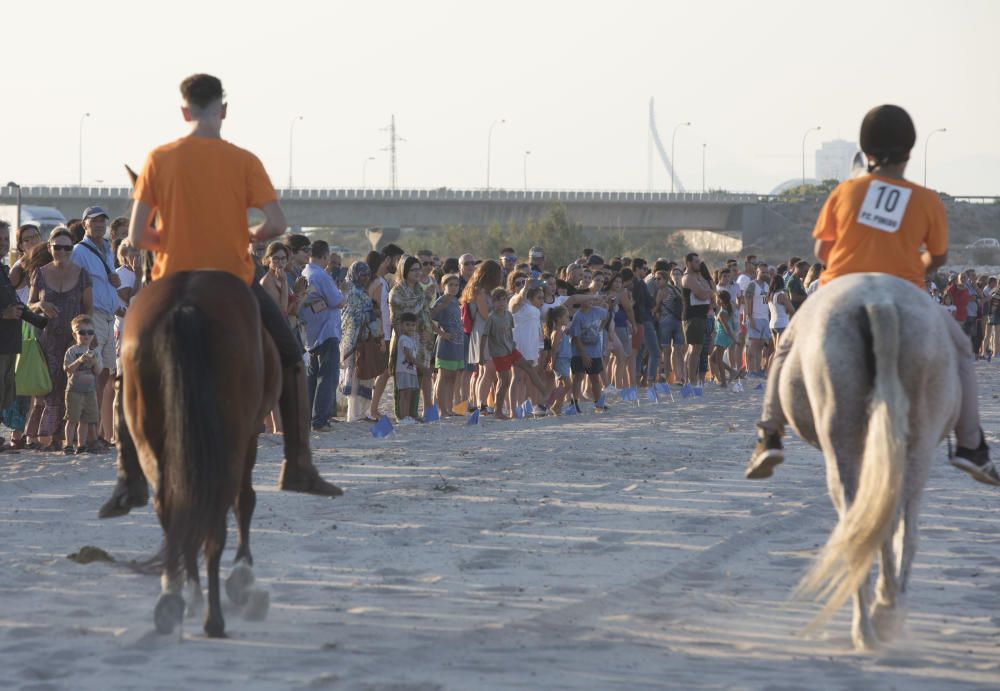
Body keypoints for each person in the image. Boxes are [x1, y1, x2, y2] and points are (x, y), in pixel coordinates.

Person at [103, 73, 340, 519]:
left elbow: (136, 235)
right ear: (223, 110)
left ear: (184, 111)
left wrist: (171, 240)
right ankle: (297, 464)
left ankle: (127, 475)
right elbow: (277, 225)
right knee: (289, 354)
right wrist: (247, 234)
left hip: (170, 277)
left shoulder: (158, 159)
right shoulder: (244, 161)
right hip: (231, 275)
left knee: (127, 364)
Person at [747, 104, 999, 487]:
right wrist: (916, 266)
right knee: (962, 349)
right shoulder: (926, 199)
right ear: (910, 153)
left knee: (788, 344)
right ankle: (970, 445)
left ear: (865, 152)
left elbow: (820, 252)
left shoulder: (845, 191)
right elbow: (940, 256)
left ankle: (770, 433)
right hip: (905, 287)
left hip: (841, 283)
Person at [25, 229, 93, 451]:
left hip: (74, 341)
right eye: (58, 247)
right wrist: (40, 305)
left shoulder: (82, 274)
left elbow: (88, 311)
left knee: (70, 388)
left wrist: (87, 340)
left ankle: (65, 438)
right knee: (49, 389)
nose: (62, 251)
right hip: (47, 338)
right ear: (49, 248)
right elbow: (29, 305)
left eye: (67, 247)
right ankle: (45, 437)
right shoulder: (40, 273)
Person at [70, 206, 121, 450]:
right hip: (94, 319)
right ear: (85, 224)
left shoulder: (108, 248)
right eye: (95, 221)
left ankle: (99, 432)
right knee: (95, 376)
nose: (99, 225)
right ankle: (91, 434)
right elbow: (76, 283)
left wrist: (116, 282)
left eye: (103, 221)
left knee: (106, 376)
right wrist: (85, 322)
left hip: (109, 318)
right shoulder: (79, 251)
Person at [301, 241, 345, 432]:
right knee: (328, 377)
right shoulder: (321, 275)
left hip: (311, 333)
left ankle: (310, 417)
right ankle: (320, 420)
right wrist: (344, 291)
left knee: (313, 377)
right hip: (326, 331)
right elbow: (337, 301)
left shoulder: (305, 273)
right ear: (325, 256)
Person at [389, 256, 434, 419]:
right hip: (404, 341)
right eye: (413, 270)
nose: (418, 273)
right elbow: (405, 314)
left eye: (418, 269)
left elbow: (425, 311)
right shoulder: (397, 292)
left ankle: (413, 413)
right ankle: (402, 415)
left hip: (422, 340)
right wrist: (425, 299)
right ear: (405, 271)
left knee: (418, 377)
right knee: (403, 382)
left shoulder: (418, 290)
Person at [367, 243, 404, 419]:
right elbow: (372, 309)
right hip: (381, 333)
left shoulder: (383, 281)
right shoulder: (377, 281)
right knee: (383, 372)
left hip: (386, 332)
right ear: (388, 259)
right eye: (397, 260)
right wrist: (380, 335)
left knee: (386, 372)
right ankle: (373, 409)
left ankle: (373, 408)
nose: (398, 265)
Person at [339, 261, 377, 422]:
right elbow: (353, 317)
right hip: (356, 342)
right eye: (362, 274)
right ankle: (356, 415)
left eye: (368, 274)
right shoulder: (356, 293)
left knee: (360, 375)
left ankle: (359, 413)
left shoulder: (353, 290)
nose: (365, 278)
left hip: (354, 340)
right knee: (358, 376)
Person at [0, 222, 25, 452]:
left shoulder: (3, 270)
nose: (4, 244)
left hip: (8, 343)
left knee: (5, 393)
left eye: (6, 240)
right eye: (0, 240)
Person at [62, 315, 101, 454]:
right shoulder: (72, 351)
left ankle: (81, 444)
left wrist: (94, 362)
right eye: (82, 332)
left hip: (90, 391)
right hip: (74, 390)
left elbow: (98, 372)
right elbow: (67, 370)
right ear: (74, 334)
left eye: (90, 332)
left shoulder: (95, 352)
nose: (86, 335)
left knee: (85, 419)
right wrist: (79, 361)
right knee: (72, 419)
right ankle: (68, 444)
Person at [430, 273, 464, 416]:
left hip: (458, 343)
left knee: (453, 377)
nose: (454, 288)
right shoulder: (441, 300)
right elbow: (429, 318)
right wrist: (442, 333)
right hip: (445, 343)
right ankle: (440, 409)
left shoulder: (456, 301)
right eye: (450, 285)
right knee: (442, 377)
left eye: (456, 285)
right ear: (443, 286)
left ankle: (449, 408)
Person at [569, 294, 610, 412]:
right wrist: (584, 355)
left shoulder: (598, 311)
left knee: (595, 378)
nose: (590, 301)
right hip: (579, 352)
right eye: (586, 299)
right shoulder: (578, 316)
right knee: (578, 376)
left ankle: (598, 403)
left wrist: (601, 327)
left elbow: (607, 315)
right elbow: (576, 337)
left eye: (591, 298)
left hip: (595, 351)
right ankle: (574, 402)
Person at [680, 252, 713, 394]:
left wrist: (708, 290)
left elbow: (710, 290)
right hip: (692, 316)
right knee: (694, 349)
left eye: (699, 262)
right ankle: (691, 381)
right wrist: (708, 291)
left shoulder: (698, 277)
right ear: (688, 263)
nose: (698, 264)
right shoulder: (688, 278)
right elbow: (702, 294)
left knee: (697, 349)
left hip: (702, 316)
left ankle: (691, 380)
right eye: (695, 262)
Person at [394, 312, 421, 424]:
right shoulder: (403, 339)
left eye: (413, 325)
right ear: (401, 325)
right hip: (403, 370)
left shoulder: (412, 340)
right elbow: (409, 356)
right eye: (407, 324)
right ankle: (403, 417)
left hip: (411, 370)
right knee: (403, 393)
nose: (410, 327)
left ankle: (407, 416)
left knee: (409, 393)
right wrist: (422, 367)